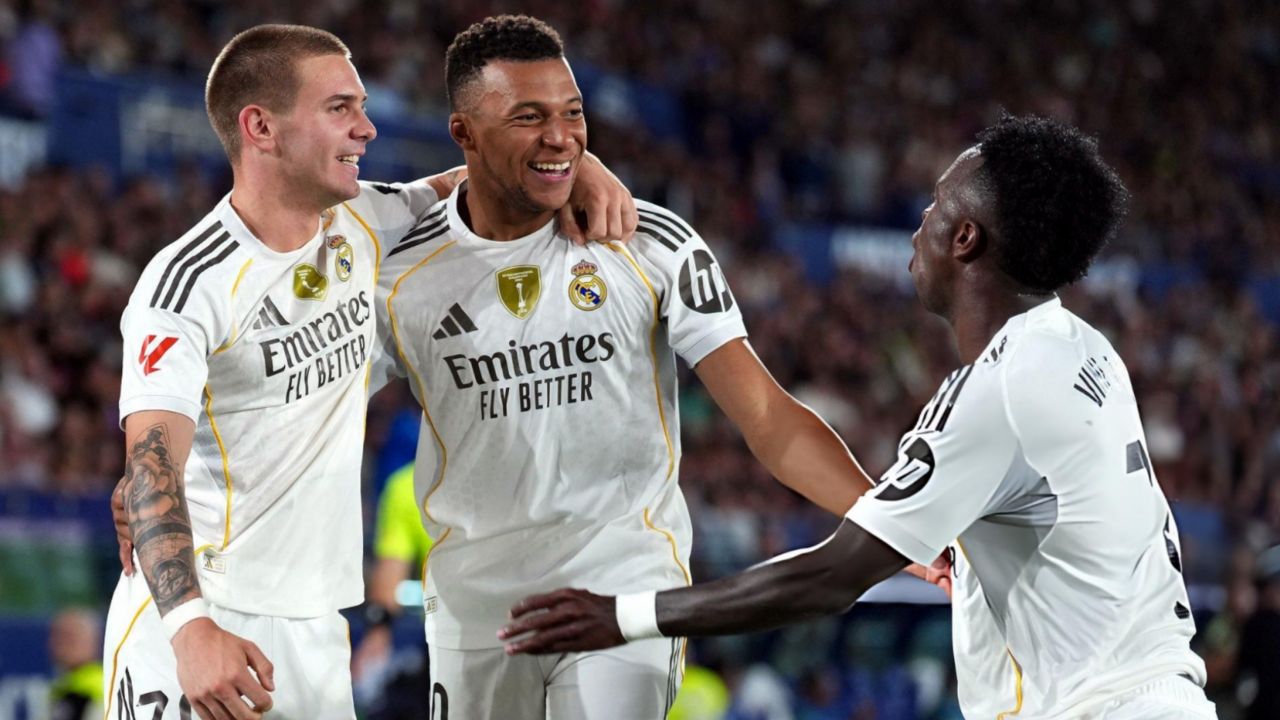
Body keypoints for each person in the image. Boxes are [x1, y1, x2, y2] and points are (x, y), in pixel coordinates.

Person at [502, 115, 1221, 720]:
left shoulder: (1002, 387)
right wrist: (900, 527)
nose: (920, 224)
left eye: (936, 206)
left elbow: (830, 577)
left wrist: (622, 616)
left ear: (965, 239)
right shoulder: (1084, 348)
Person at [375, 15, 904, 719]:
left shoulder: (648, 240)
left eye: (572, 114)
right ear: (463, 133)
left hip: (621, 590)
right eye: (528, 117)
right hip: (474, 611)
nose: (561, 137)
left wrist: (893, 522)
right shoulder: (398, 274)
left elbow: (769, 419)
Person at [106, 23, 635, 720]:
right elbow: (149, 470)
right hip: (203, 620)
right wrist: (189, 630)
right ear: (261, 127)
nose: (367, 128)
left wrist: (578, 163)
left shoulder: (365, 221)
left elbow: (479, 180)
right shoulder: (186, 284)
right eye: (340, 109)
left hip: (320, 631)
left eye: (361, 106)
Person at [48, 608, 104, 720]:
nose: (62, 644)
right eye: (58, 636)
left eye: (70, 637)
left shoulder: (102, 688)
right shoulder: (60, 687)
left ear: (93, 641)